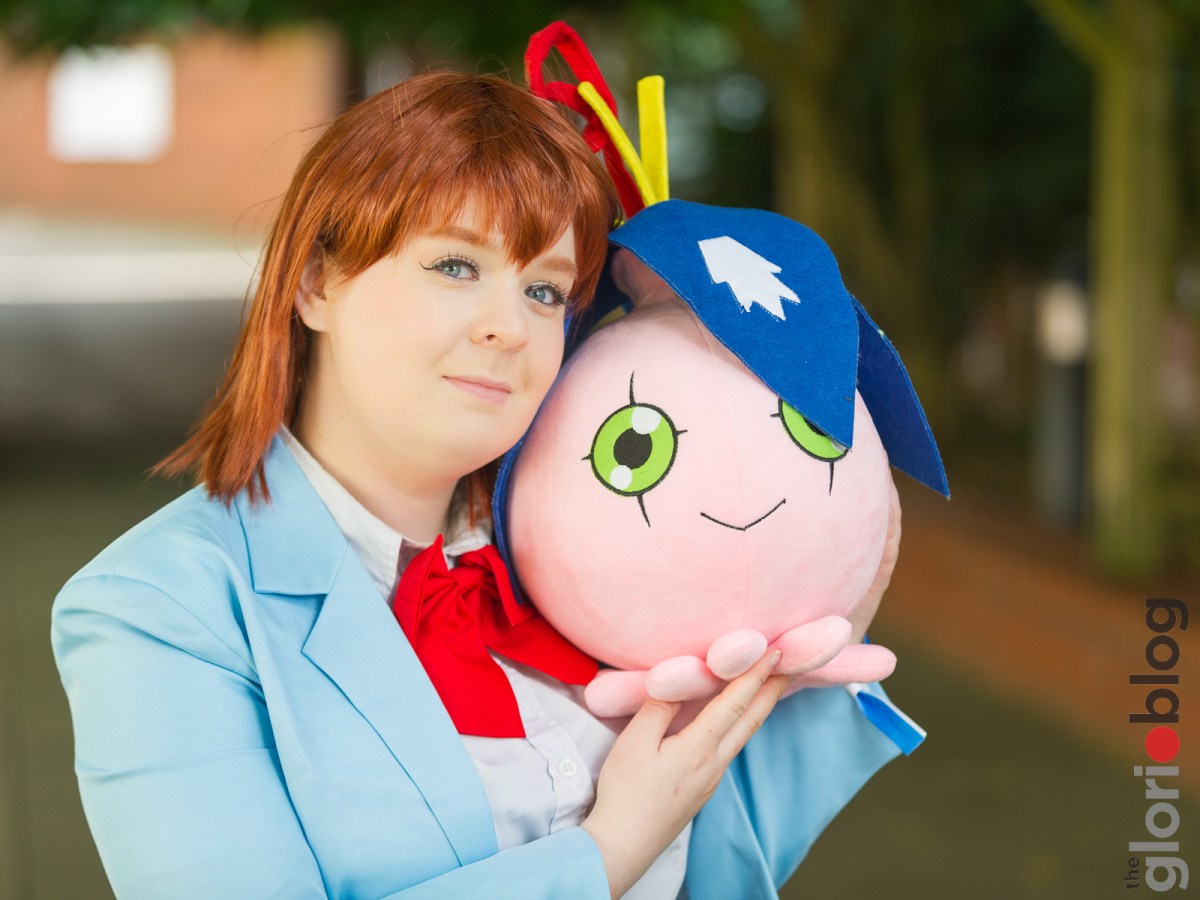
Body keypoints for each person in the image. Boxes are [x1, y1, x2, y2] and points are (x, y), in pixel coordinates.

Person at [52, 70, 912, 900]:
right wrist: (607, 853)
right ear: (317, 281)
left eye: (544, 289)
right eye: (456, 267)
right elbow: (638, 839)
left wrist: (799, 657)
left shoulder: (581, 538)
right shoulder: (159, 608)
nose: (509, 327)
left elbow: (717, 859)